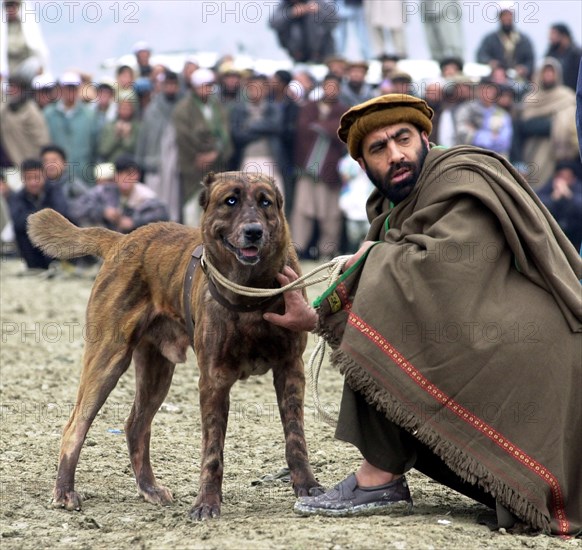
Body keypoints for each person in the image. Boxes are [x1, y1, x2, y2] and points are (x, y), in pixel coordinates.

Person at [264, 94, 582, 536]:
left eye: (403, 139)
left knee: (381, 299)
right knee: (380, 297)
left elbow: (444, 273)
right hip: (493, 341)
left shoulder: (462, 179)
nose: (395, 154)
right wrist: (318, 315)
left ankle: (379, 477)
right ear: (363, 166)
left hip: (537, 352)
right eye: (379, 148)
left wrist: (366, 266)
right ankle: (382, 475)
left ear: (424, 138)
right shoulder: (394, 208)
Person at [291, 73, 347, 259]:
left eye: (334, 87)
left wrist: (322, 126)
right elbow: (303, 130)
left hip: (330, 171)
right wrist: (326, 127)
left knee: (330, 215)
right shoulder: (309, 107)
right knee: (302, 212)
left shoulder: (343, 110)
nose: (330, 90)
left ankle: (327, 251)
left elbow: (342, 131)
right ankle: (296, 250)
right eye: (327, 86)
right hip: (307, 170)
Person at [172, 68, 232, 226]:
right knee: (193, 208)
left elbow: (224, 134)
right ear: (194, 87)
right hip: (193, 166)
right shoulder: (183, 108)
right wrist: (199, 155)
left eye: (209, 86)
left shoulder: (217, 106)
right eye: (202, 86)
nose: (206, 90)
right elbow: (183, 137)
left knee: (217, 205)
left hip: (217, 166)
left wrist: (215, 153)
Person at [512, 58, 577, 189]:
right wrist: (550, 124)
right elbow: (521, 126)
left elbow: (570, 122)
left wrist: (552, 126)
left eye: (551, 72)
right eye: (545, 72)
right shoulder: (530, 99)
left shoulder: (566, 96)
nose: (548, 75)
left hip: (556, 155)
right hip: (531, 152)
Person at [1, 158, 69, 269]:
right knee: (21, 230)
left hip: (56, 242)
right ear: (23, 179)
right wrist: (43, 217)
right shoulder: (18, 197)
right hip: (33, 245)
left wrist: (36, 218)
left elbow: (62, 212)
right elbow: (18, 221)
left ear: (44, 176)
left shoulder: (55, 190)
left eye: (37, 177)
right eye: (29, 178)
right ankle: (34, 267)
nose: (33, 182)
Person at [73, 155, 168, 233]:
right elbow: (76, 208)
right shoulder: (104, 191)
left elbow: (163, 217)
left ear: (137, 176)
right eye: (121, 173)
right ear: (115, 176)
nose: (125, 178)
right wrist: (102, 211)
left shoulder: (147, 196)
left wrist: (134, 222)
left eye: (129, 174)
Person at [43, 72, 97, 184]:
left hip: (83, 176)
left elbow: (95, 148)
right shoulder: (49, 114)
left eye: (74, 88)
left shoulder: (89, 115)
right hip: (55, 178)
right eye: (67, 88)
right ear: (61, 89)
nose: (70, 92)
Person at [0, 75, 50, 169]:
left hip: (26, 163)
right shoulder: (6, 108)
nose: (12, 90)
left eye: (15, 88)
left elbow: (41, 140)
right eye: (11, 87)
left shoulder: (30, 110)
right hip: (8, 164)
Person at [454, 77, 513, 158]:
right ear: (478, 91)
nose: (486, 92)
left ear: (495, 91)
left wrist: (476, 133)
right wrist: (492, 136)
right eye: (483, 89)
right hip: (470, 157)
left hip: (496, 159)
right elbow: (462, 132)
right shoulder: (466, 109)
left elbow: (504, 142)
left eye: (490, 89)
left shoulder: (502, 114)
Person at [476, 8, 535, 82]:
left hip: (518, 80)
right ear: (499, 18)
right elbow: (481, 55)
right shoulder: (490, 39)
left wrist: (524, 68)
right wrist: (490, 62)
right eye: (504, 15)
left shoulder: (523, 40)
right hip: (495, 80)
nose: (506, 18)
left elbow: (530, 60)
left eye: (509, 15)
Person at [270, 0, 337, 64]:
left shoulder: (316, 2)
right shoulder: (285, 5)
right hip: (296, 55)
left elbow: (334, 22)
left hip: (321, 54)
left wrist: (319, 11)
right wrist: (291, 13)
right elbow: (273, 23)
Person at [536, 159, 582, 250]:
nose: (563, 181)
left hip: (576, 237)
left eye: (567, 177)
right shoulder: (549, 187)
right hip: (552, 236)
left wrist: (569, 196)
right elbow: (536, 204)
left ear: (573, 178)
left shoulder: (578, 188)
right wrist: (553, 199)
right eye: (561, 177)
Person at [544, 23, 581, 92]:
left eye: (553, 34)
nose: (550, 38)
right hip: (553, 92)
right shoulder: (551, 52)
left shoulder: (577, 54)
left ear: (563, 36)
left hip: (572, 93)